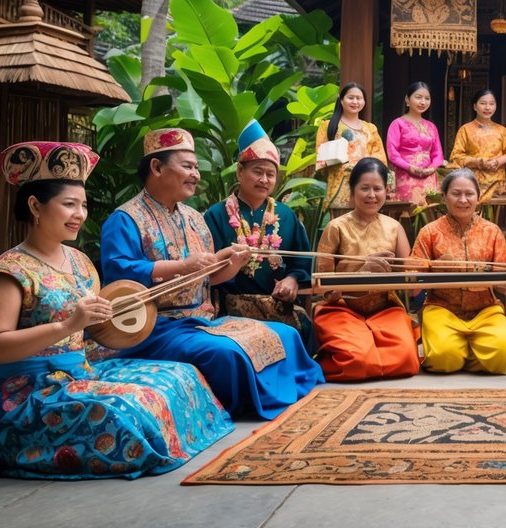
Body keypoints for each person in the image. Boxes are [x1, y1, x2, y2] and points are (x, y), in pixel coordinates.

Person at [0, 141, 233, 479]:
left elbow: (94, 332)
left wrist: (120, 324)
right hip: (22, 393)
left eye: (82, 205)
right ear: (36, 206)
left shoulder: (81, 262)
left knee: (178, 376)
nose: (79, 215)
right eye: (69, 205)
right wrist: (68, 324)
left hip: (79, 372)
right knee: (127, 409)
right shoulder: (10, 271)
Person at [100, 128, 322, 420]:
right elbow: (120, 273)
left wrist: (231, 263)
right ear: (156, 167)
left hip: (200, 320)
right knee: (227, 354)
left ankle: (283, 392)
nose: (196, 175)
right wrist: (182, 266)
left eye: (196, 167)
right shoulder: (125, 219)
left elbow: (208, 278)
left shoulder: (192, 218)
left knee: (284, 334)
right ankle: (253, 404)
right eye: (188, 166)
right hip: (155, 326)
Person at [203, 119, 315, 349]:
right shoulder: (215, 215)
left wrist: (292, 280)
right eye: (257, 172)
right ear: (240, 171)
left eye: (270, 174)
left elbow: (301, 261)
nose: (264, 180)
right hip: (228, 311)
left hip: (277, 307)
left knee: (302, 329)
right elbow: (205, 271)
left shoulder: (286, 215)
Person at [312, 157, 420, 381]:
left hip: (384, 308)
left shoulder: (394, 227)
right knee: (357, 362)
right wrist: (362, 271)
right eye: (365, 188)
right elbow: (323, 289)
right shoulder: (336, 227)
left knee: (407, 361)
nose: (372, 195)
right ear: (352, 192)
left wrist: (423, 270)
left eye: (377, 189)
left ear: (386, 192)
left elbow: (409, 278)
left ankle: (372, 348)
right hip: (341, 308)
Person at [409, 169, 506, 374]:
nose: (463, 200)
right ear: (444, 197)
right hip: (442, 308)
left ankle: (463, 352)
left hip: (485, 309)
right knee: (443, 359)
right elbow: (415, 279)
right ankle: (465, 353)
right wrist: (433, 268)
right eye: (456, 193)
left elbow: (504, 278)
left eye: (469, 194)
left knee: (503, 358)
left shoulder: (492, 231)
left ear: (478, 197)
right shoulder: (429, 232)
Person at [316, 82, 386, 208]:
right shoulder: (328, 126)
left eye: (359, 98)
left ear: (364, 102)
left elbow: (380, 158)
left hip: (365, 184)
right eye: (351, 98)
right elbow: (321, 158)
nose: (355, 102)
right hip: (339, 183)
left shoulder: (370, 128)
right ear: (341, 100)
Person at [449, 88, 506, 201]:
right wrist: (479, 162)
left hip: (497, 185)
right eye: (483, 103)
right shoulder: (465, 130)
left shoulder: (502, 130)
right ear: (475, 106)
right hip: (472, 184)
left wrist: (498, 162)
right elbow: (456, 157)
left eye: (491, 104)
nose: (487, 107)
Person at [387, 81, 444, 204]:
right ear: (407, 99)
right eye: (418, 97)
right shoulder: (397, 124)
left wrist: (432, 168)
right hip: (405, 176)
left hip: (428, 177)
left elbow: (438, 154)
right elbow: (392, 153)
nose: (423, 102)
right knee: (406, 213)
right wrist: (409, 167)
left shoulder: (431, 126)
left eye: (427, 98)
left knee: (429, 214)